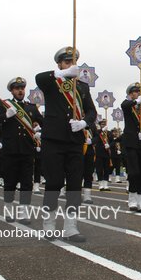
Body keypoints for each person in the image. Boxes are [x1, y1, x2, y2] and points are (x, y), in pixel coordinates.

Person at [35, 47, 96, 242]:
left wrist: (84, 123)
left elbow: (91, 112)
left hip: (74, 141)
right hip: (53, 140)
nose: (71, 64)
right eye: (66, 62)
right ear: (59, 64)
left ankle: (71, 228)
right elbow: (39, 78)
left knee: (74, 185)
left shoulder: (83, 87)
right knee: (53, 183)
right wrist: (60, 74)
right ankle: (49, 225)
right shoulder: (53, 82)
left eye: (73, 62)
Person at [0, 77, 44, 224]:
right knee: (10, 182)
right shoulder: (5, 105)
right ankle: (9, 211)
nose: (20, 91)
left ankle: (24, 213)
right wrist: (5, 116)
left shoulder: (31, 107)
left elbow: (45, 122)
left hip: (27, 150)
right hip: (10, 151)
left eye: (22, 88)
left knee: (26, 183)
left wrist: (40, 131)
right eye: (17, 88)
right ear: (12, 91)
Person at [121, 82, 141, 213]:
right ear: (130, 94)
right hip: (131, 143)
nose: (137, 94)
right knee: (134, 172)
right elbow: (125, 105)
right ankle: (132, 200)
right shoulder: (128, 105)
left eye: (139, 92)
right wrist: (135, 102)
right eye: (134, 92)